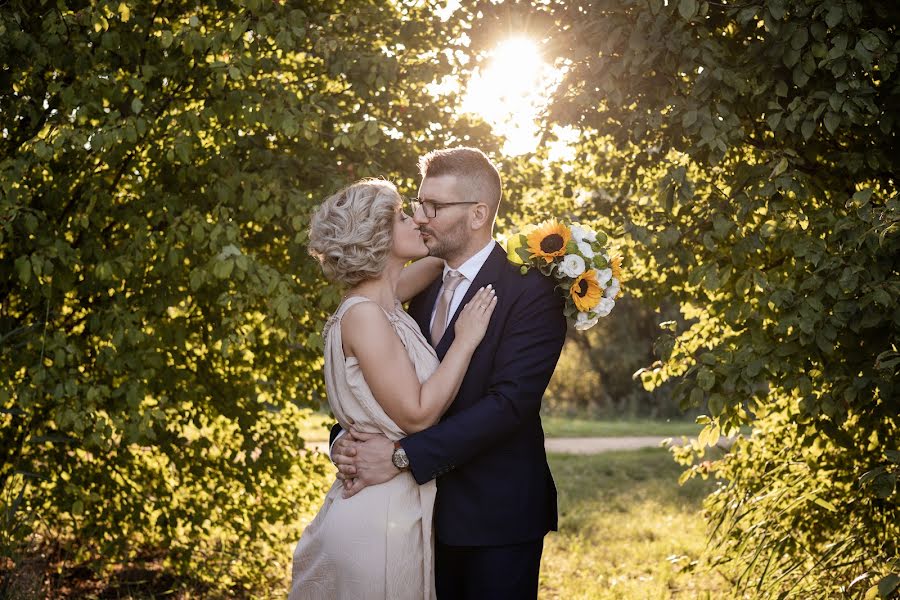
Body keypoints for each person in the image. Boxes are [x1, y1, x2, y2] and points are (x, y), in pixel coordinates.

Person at [331, 147, 568, 599]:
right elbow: (378, 383)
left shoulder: (530, 290)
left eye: (434, 207)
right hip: (412, 521)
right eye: (419, 204)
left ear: (478, 214)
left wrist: (402, 455)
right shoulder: (419, 285)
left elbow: (508, 406)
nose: (421, 216)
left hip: (494, 522)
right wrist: (344, 442)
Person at [289, 178, 497, 600]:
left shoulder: (386, 300)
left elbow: (448, 259)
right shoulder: (366, 315)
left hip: (396, 508)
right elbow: (417, 414)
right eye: (404, 215)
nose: (417, 219)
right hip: (374, 519)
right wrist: (466, 340)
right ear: (379, 237)